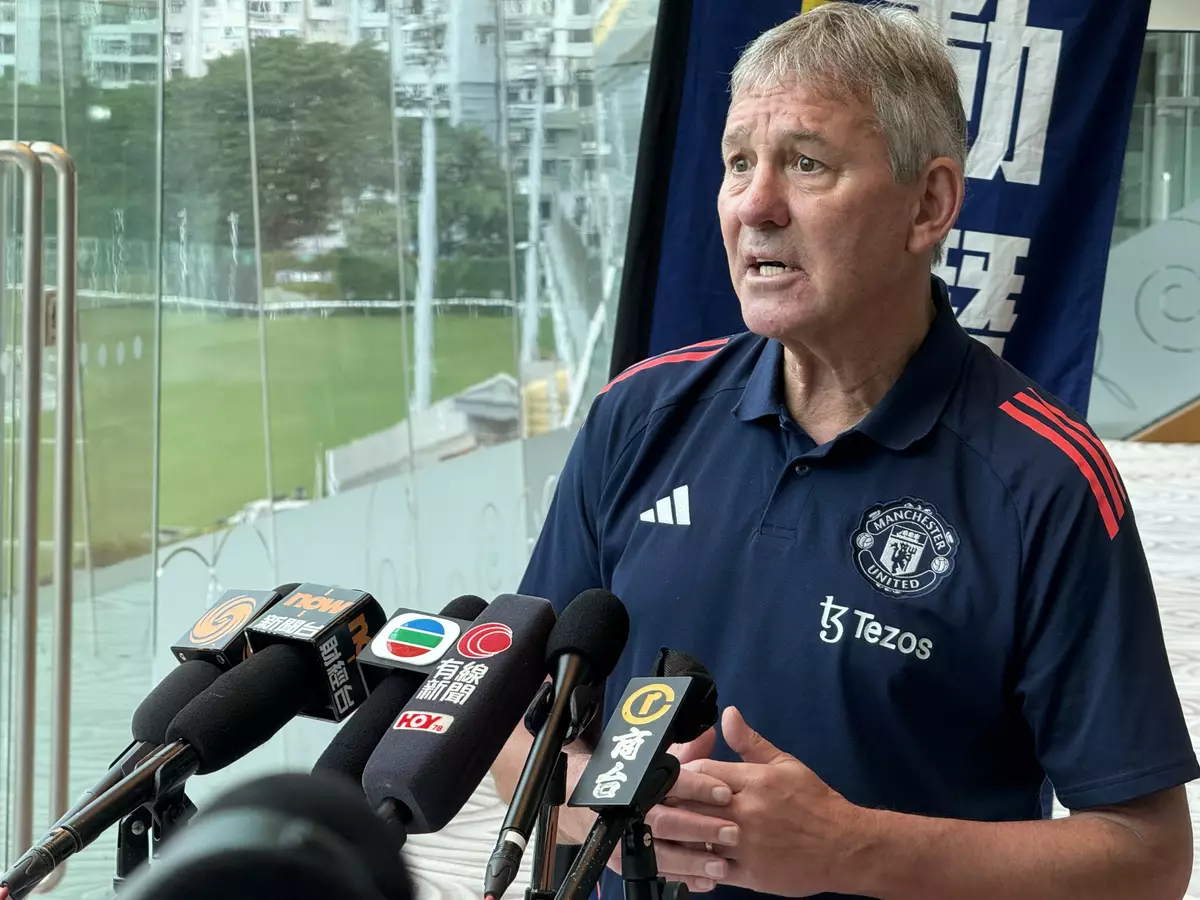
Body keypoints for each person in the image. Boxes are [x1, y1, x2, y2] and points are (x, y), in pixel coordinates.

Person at [492, 4, 1197, 898]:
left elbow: (1147, 857)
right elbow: (514, 720)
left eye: (806, 163)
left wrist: (850, 849)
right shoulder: (637, 413)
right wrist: (616, 818)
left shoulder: (1045, 479)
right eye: (738, 162)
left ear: (929, 204)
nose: (755, 205)